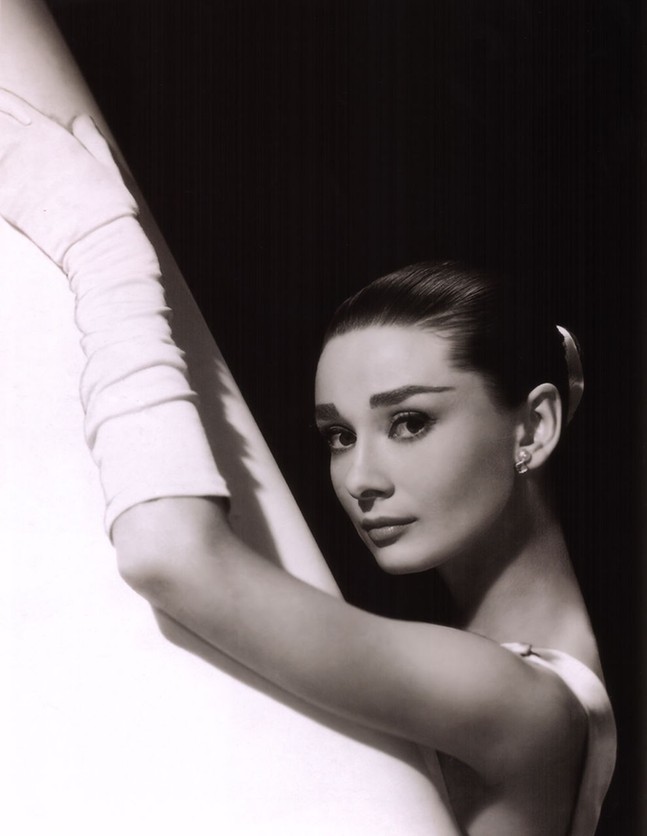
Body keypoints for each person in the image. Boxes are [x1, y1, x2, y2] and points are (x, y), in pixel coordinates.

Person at [0, 90, 615, 836]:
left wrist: (102, 247)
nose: (359, 480)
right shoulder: (515, 677)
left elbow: (168, 551)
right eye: (339, 436)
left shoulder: (520, 701)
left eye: (410, 422)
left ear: (534, 428)